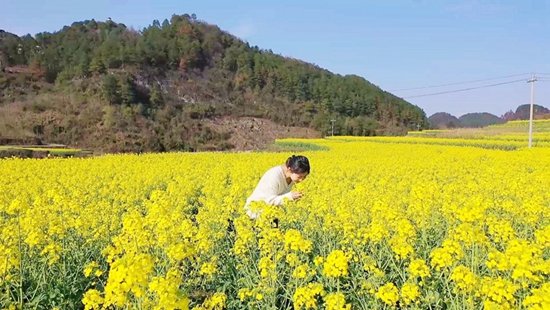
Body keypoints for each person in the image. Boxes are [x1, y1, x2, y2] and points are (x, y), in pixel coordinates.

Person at [244, 155, 310, 220]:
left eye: (304, 177)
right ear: (289, 170)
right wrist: (290, 197)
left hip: (271, 215)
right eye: (299, 177)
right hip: (255, 214)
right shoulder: (273, 176)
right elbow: (269, 200)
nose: (301, 180)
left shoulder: (291, 177)